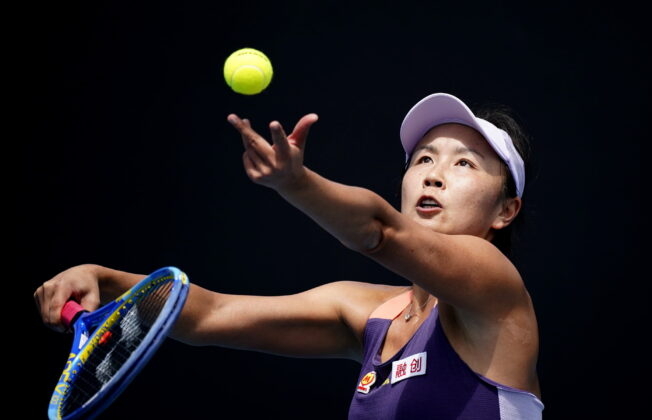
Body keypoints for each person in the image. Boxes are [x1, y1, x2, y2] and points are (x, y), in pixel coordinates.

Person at [35, 93, 544, 419]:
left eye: (464, 164)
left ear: (506, 210)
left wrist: (296, 183)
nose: (434, 174)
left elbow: (380, 231)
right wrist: (105, 278)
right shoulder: (368, 314)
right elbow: (208, 315)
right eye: (424, 159)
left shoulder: (496, 289)